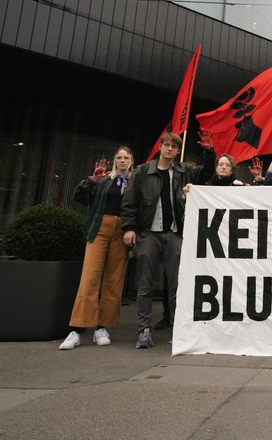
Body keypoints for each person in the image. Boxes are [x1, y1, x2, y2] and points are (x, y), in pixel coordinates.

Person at [121, 131, 214, 349]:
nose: (170, 149)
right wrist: (129, 228)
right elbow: (129, 202)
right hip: (148, 235)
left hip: (174, 235)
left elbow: (207, 173)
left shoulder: (183, 172)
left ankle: (177, 329)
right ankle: (143, 331)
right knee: (145, 286)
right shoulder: (142, 171)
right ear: (160, 147)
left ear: (178, 150)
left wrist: (209, 151)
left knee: (177, 286)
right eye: (167, 145)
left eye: (174, 146)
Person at [59, 147, 134, 350]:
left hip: (123, 230)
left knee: (114, 279)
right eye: (118, 157)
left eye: (126, 157)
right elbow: (80, 197)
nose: (122, 160)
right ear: (114, 160)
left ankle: (102, 327)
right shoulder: (103, 180)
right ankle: (76, 328)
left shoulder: (135, 181)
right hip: (100, 228)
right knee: (89, 276)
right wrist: (91, 181)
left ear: (131, 160)